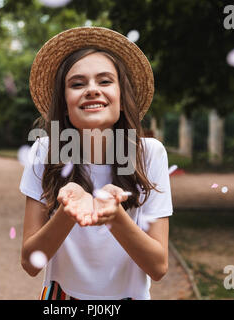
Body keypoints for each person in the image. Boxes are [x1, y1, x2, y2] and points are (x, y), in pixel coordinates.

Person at [19, 26, 173, 300]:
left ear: (123, 101)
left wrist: (114, 217)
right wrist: (67, 211)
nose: (91, 90)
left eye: (104, 81)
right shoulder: (45, 151)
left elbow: (158, 266)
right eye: (77, 84)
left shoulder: (149, 154)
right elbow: (31, 263)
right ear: (65, 105)